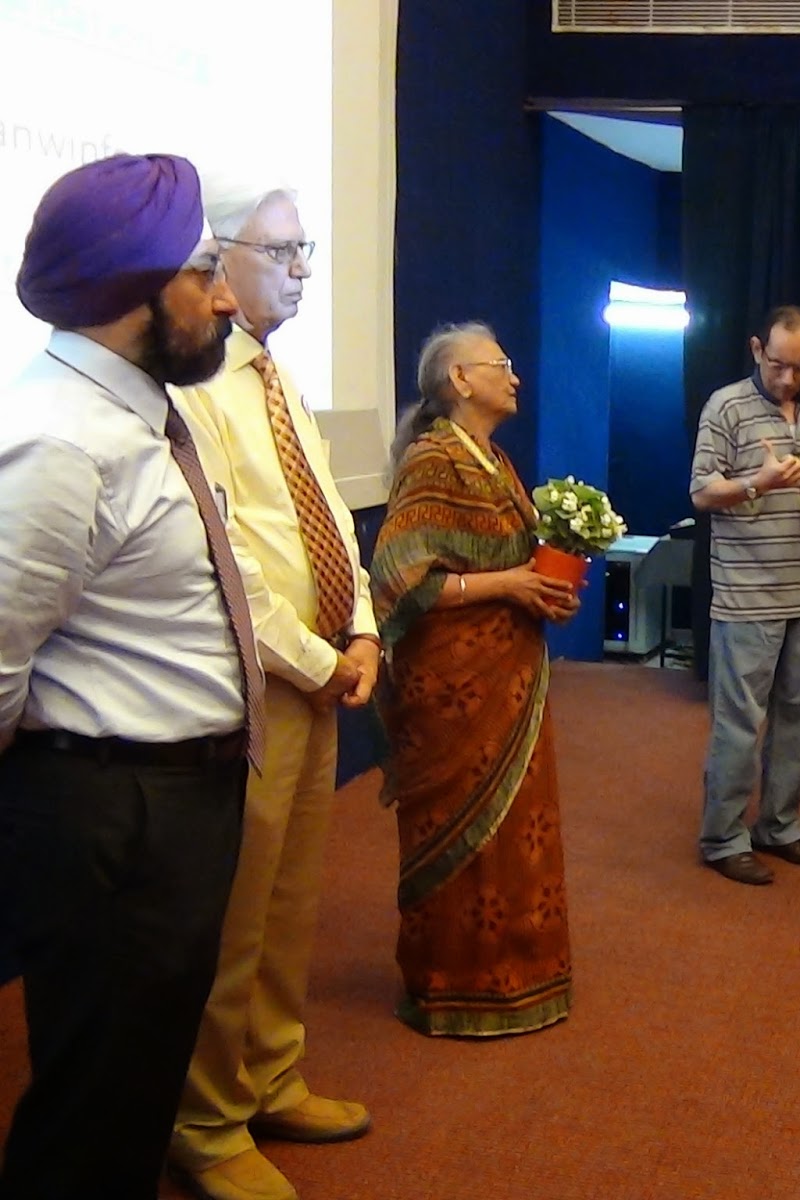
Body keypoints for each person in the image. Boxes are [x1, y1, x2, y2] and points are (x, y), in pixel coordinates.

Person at [0, 153, 261, 1198]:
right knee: (95, 1104)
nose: (227, 297)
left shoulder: (141, 411)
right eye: (204, 271)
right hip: (114, 813)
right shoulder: (60, 440)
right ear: (127, 284)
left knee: (139, 1077)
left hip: (173, 803)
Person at [167, 182, 379, 1200]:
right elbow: (232, 562)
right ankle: (207, 1123)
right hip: (248, 688)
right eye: (280, 251)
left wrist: (363, 626)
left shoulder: (277, 373)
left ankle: (271, 1078)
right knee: (238, 913)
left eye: (306, 251)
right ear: (219, 259)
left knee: (291, 902)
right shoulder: (194, 383)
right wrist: (317, 658)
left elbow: (327, 510)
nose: (301, 270)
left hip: (316, 675)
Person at [370, 322, 581, 1037]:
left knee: (519, 827)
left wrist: (543, 590)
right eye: (501, 364)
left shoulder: (495, 461)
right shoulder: (433, 461)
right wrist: (509, 585)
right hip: (453, 684)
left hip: (513, 675)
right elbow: (401, 579)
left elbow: (517, 566)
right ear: (459, 379)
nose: (515, 377)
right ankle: (453, 986)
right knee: (462, 836)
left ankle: (523, 973)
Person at [690, 305, 800, 886]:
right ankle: (722, 838)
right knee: (738, 723)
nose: (788, 379)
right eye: (778, 364)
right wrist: (757, 482)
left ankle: (779, 826)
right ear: (758, 349)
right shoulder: (726, 406)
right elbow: (702, 493)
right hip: (747, 593)